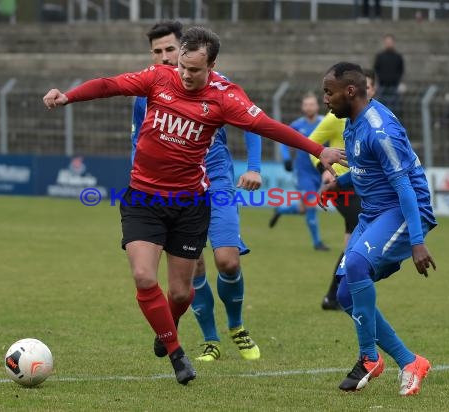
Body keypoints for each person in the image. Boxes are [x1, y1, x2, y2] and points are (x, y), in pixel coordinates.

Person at [43, 26, 346, 385]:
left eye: (194, 69)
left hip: (190, 202)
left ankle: (175, 329)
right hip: (144, 197)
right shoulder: (159, 78)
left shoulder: (225, 97)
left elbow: (267, 127)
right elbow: (110, 85)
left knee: (181, 292)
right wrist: (68, 97)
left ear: (212, 66)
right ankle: (177, 353)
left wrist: (318, 150)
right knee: (143, 276)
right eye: (182, 66)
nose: (185, 74)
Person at [132, 21, 263, 363]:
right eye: (157, 52)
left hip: (215, 181)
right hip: (172, 190)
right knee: (195, 269)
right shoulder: (149, 90)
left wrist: (254, 167)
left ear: (187, 50)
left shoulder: (219, 89)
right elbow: (138, 144)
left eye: (170, 50)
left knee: (227, 260)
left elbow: (255, 123)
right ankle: (210, 339)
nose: (164, 57)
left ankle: (237, 326)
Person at [320, 62, 436, 395]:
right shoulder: (352, 123)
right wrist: (337, 184)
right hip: (374, 213)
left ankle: (369, 357)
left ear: (350, 91)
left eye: (329, 92)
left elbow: (404, 187)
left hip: (403, 210)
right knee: (344, 295)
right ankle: (410, 361)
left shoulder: (379, 129)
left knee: (355, 265)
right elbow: (364, 169)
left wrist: (417, 241)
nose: (325, 99)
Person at [309, 69, 377, 310]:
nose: (365, 90)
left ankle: (335, 296)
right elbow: (311, 143)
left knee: (353, 244)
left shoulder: (374, 119)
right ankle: (342, 293)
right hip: (341, 186)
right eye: (363, 85)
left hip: (363, 186)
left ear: (373, 90)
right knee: (361, 232)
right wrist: (323, 169)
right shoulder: (336, 116)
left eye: (369, 87)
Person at [269, 93, 329, 252]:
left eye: (312, 104)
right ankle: (317, 243)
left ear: (317, 106)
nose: (309, 107)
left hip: (320, 172)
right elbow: (283, 141)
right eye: (306, 104)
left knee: (303, 208)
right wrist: (287, 158)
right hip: (303, 173)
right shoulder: (297, 125)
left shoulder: (325, 122)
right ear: (303, 107)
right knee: (310, 205)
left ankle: (280, 210)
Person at [373, 34, 404, 116]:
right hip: (382, 86)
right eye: (387, 42)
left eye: (390, 42)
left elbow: (401, 70)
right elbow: (376, 69)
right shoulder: (380, 56)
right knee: (381, 110)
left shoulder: (398, 57)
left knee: (394, 110)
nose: (388, 44)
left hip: (394, 86)